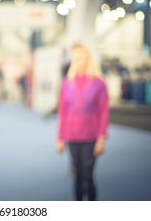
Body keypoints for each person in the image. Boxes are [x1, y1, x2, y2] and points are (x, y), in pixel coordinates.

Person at [56, 43, 109, 201]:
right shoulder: (66, 83)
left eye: (83, 59)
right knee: (77, 175)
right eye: (76, 59)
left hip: (91, 136)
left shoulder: (99, 83)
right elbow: (63, 112)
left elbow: (103, 112)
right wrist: (60, 138)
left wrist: (101, 138)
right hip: (72, 135)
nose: (80, 62)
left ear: (89, 60)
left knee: (88, 174)